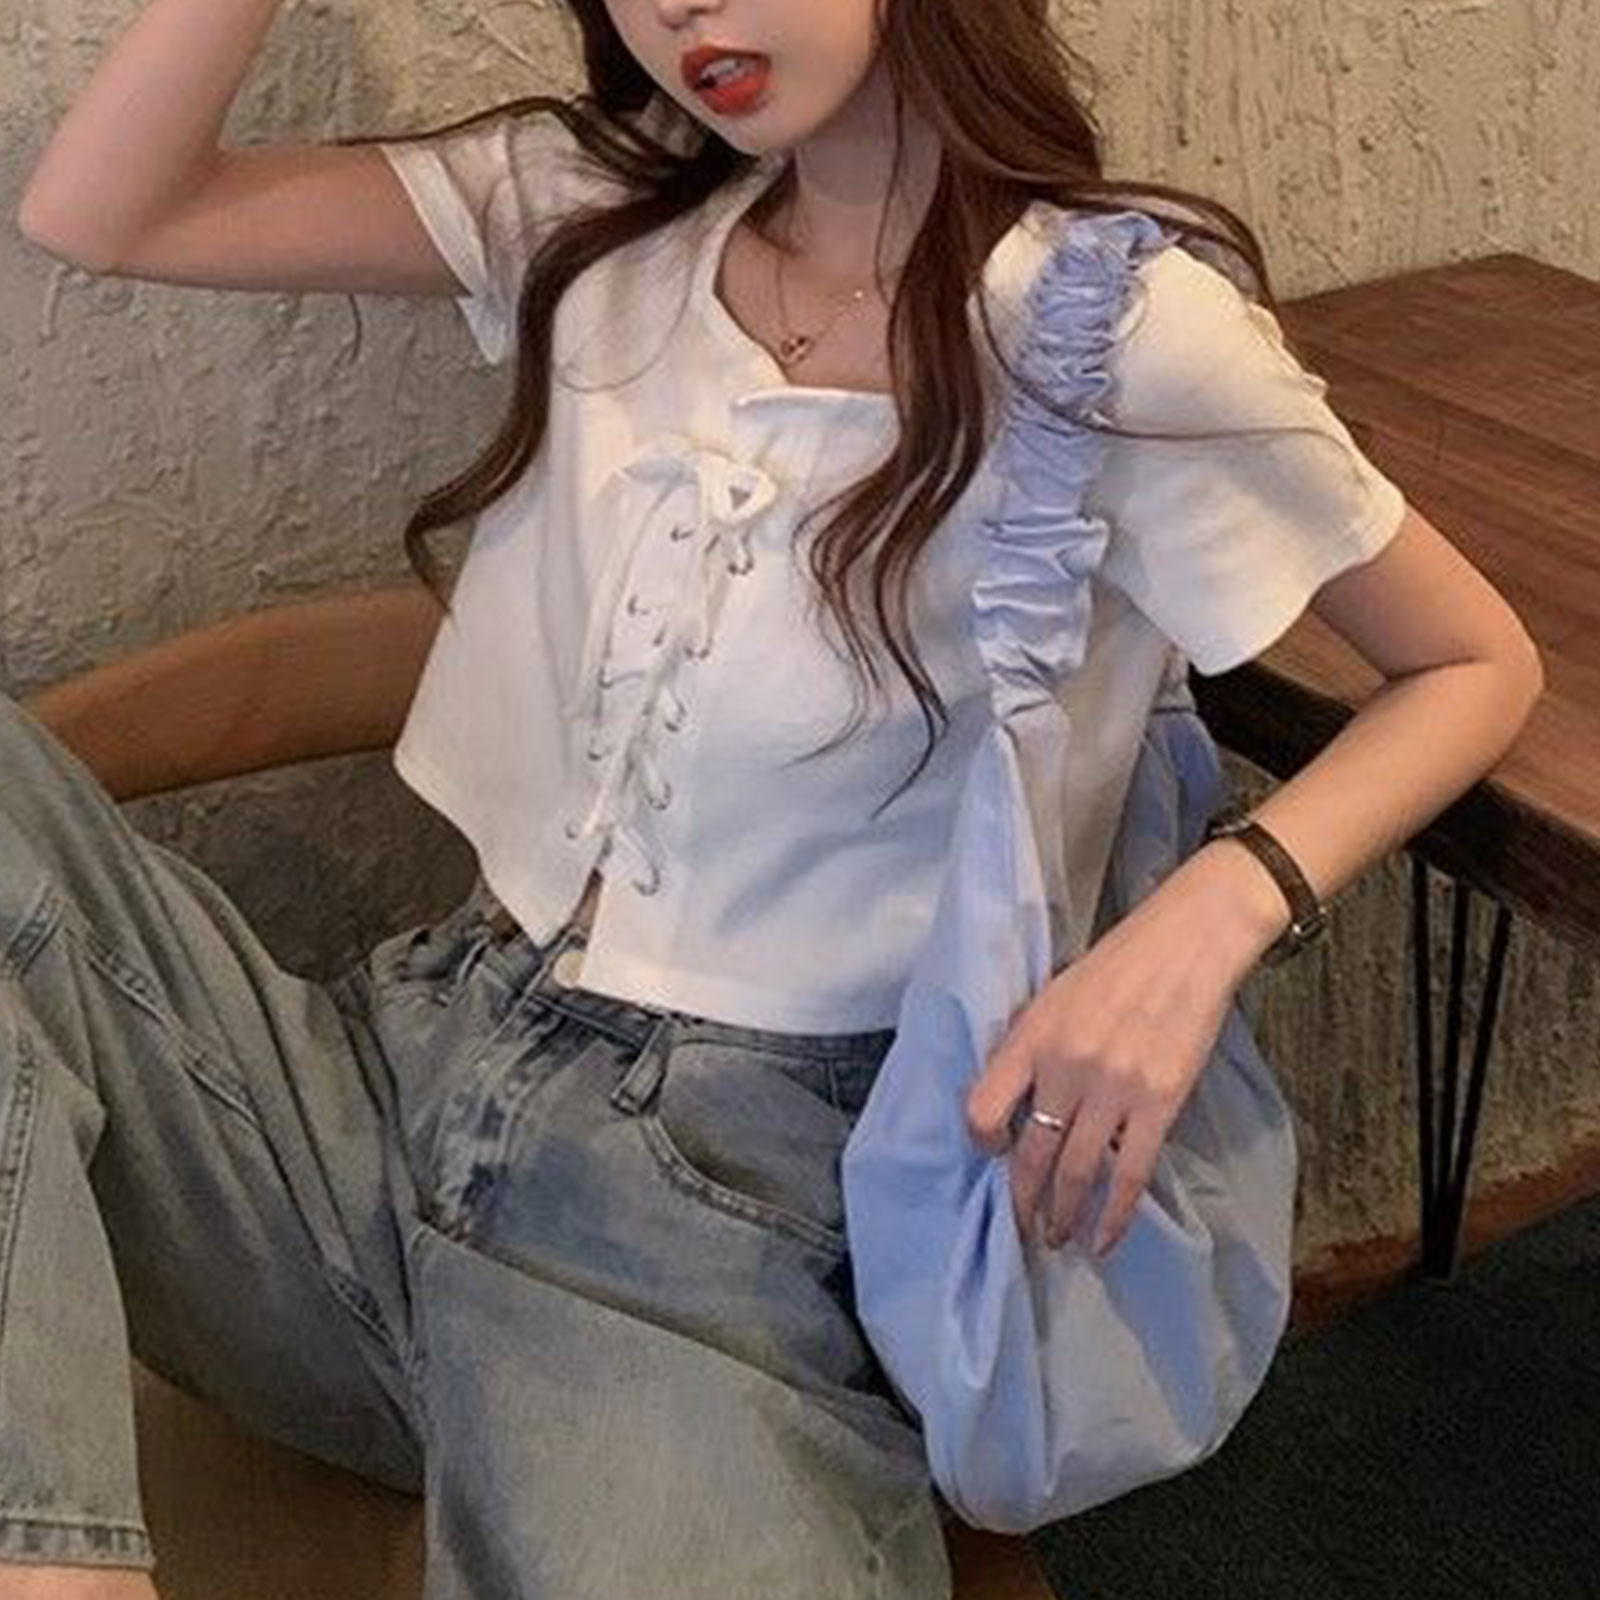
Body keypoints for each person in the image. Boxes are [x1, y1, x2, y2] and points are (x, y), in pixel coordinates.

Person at [7, 0, 1545, 1595]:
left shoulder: (1110, 329)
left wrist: (1214, 913)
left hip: (710, 1233)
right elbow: (104, 209)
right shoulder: (596, 208)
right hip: (354, 1113)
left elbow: (1472, 664)